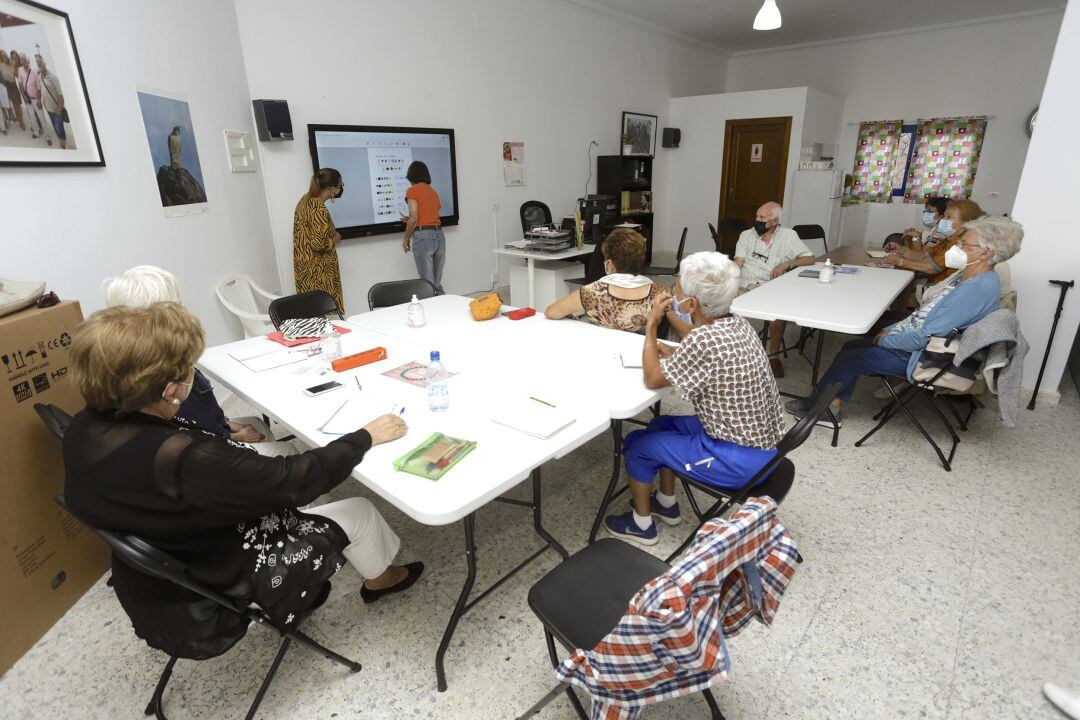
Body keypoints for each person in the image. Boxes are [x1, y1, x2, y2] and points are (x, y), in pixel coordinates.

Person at [63, 303, 424, 657]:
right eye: (187, 370)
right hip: (213, 584)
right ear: (170, 390)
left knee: (281, 453)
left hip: (156, 577)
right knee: (358, 510)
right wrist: (366, 436)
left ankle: (312, 586)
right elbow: (297, 481)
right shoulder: (186, 460)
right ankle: (382, 579)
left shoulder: (84, 427)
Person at [604, 252, 785, 545]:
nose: (673, 293)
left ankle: (641, 526)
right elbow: (709, 351)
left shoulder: (703, 341)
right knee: (661, 424)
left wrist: (651, 326)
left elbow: (652, 378)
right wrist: (677, 350)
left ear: (692, 304)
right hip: (762, 446)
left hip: (736, 460)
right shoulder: (737, 324)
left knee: (639, 445)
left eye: (677, 289)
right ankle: (666, 503)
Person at [786, 215, 1023, 424]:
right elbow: (924, 317)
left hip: (930, 359)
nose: (957, 246)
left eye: (964, 243)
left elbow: (925, 336)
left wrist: (886, 339)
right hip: (930, 345)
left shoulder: (976, 288)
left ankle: (825, 411)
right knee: (851, 346)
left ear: (986, 252)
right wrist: (890, 330)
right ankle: (824, 403)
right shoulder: (969, 277)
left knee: (851, 356)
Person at [103, 265, 296, 455]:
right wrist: (233, 437)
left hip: (208, 434)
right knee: (287, 452)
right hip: (203, 452)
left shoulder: (138, 359)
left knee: (258, 426)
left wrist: (226, 424)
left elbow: (199, 416)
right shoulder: (161, 379)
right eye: (177, 308)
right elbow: (189, 436)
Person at [544, 228, 688, 335]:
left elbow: (551, 312)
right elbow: (683, 330)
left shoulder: (592, 292)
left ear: (610, 264)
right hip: (644, 356)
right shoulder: (661, 294)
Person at [733, 201, 816, 377]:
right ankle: (724, 351)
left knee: (778, 314)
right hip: (744, 284)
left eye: (761, 217)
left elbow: (810, 259)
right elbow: (738, 263)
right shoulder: (746, 235)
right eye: (756, 216)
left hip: (769, 287)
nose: (756, 220)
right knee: (714, 301)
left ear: (774, 221)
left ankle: (773, 356)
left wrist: (788, 263)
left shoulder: (788, 236)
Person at [884, 199, 984, 284]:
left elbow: (931, 268)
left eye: (949, 217)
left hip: (940, 287)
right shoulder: (948, 240)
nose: (942, 220)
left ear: (967, 222)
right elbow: (924, 256)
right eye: (944, 216)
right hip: (933, 283)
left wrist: (900, 261)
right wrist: (901, 249)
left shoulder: (961, 244)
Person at [293, 168, 345, 313]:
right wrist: (334, 238)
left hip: (305, 266)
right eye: (341, 185)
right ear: (331, 189)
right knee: (318, 309)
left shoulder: (305, 200)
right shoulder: (318, 208)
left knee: (311, 310)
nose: (341, 188)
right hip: (318, 269)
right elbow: (317, 243)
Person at [401, 161, 445, 294]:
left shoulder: (412, 190)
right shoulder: (433, 192)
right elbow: (429, 216)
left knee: (427, 285)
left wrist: (406, 238)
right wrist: (410, 220)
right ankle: (444, 310)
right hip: (439, 237)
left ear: (412, 176)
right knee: (436, 284)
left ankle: (432, 313)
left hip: (423, 238)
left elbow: (414, 217)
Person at [35, 54, 65, 149]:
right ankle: (63, 147)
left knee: (60, 132)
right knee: (57, 130)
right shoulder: (39, 77)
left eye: (40, 62)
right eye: (37, 63)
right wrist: (39, 101)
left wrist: (58, 109)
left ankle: (64, 149)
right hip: (48, 109)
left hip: (56, 111)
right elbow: (40, 90)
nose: (39, 64)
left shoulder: (53, 77)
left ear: (44, 63)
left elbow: (61, 96)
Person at [0, 50, 24, 132]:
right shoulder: (1, 65)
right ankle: (16, 118)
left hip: (14, 86)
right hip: (7, 87)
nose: (5, 56)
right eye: (3, 56)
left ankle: (22, 121)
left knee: (18, 104)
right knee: (14, 105)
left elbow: (16, 73)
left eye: (5, 55)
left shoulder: (11, 64)